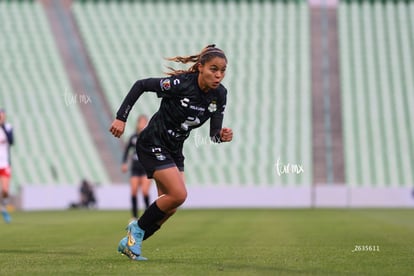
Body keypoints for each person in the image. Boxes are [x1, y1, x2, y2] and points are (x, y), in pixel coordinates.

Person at [109, 44, 233, 261]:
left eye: (223, 70)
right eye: (214, 69)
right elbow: (141, 85)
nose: (219, 75)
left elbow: (213, 134)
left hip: (174, 149)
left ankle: (129, 243)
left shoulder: (219, 95)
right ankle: (135, 231)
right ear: (200, 67)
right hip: (152, 142)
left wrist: (221, 135)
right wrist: (121, 117)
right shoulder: (180, 84)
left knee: (172, 205)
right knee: (179, 194)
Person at [122, 115, 152, 218]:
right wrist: (124, 163)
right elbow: (126, 151)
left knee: (144, 191)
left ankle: (149, 215)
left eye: (145, 122)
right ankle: (134, 217)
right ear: (137, 123)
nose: (143, 124)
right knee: (134, 191)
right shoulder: (133, 137)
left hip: (145, 167)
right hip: (135, 167)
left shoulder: (149, 136)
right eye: (141, 122)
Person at [0, 109, 14, 223]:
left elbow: (11, 141)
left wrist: (2, 126)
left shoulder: (8, 127)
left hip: (5, 164)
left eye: (2, 115)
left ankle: (3, 209)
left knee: (5, 190)